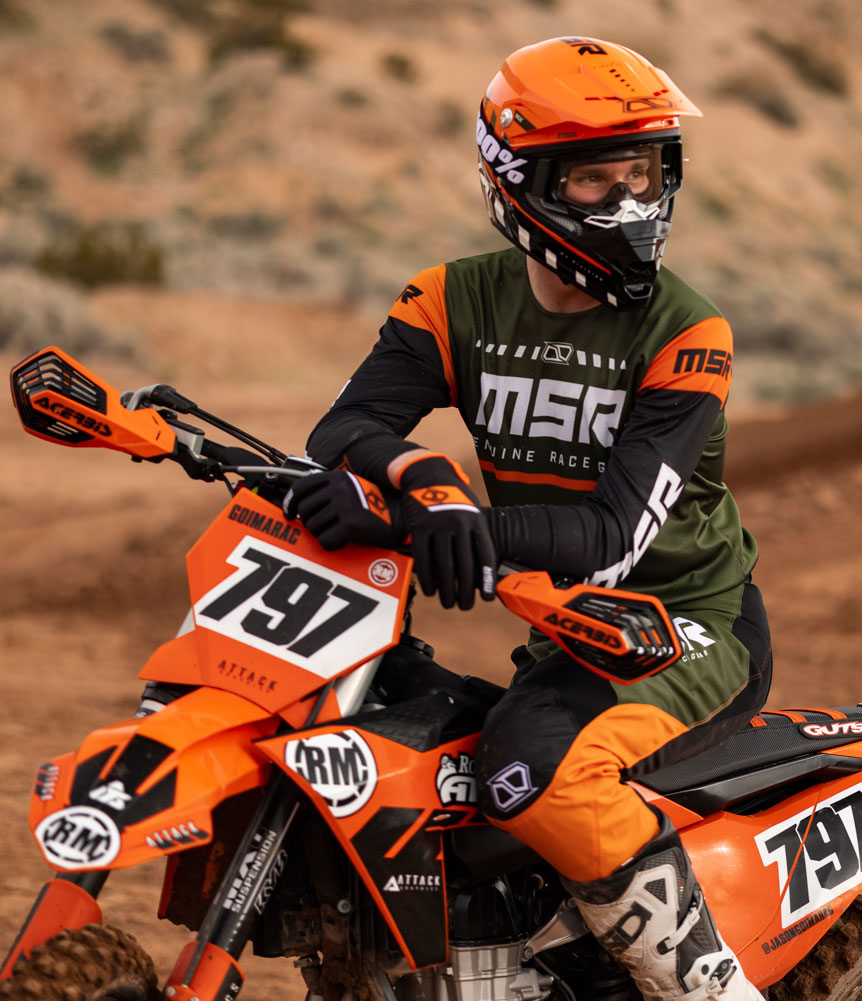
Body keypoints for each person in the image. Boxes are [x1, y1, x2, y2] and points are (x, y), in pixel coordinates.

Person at [285, 36, 771, 1001]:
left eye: (642, 173)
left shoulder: (686, 330)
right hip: (564, 628)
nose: (628, 202)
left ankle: (709, 989)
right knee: (378, 734)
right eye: (595, 178)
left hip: (683, 622)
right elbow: (348, 425)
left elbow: (614, 538)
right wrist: (418, 477)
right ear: (517, 180)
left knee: (535, 772)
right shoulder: (452, 299)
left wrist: (426, 521)